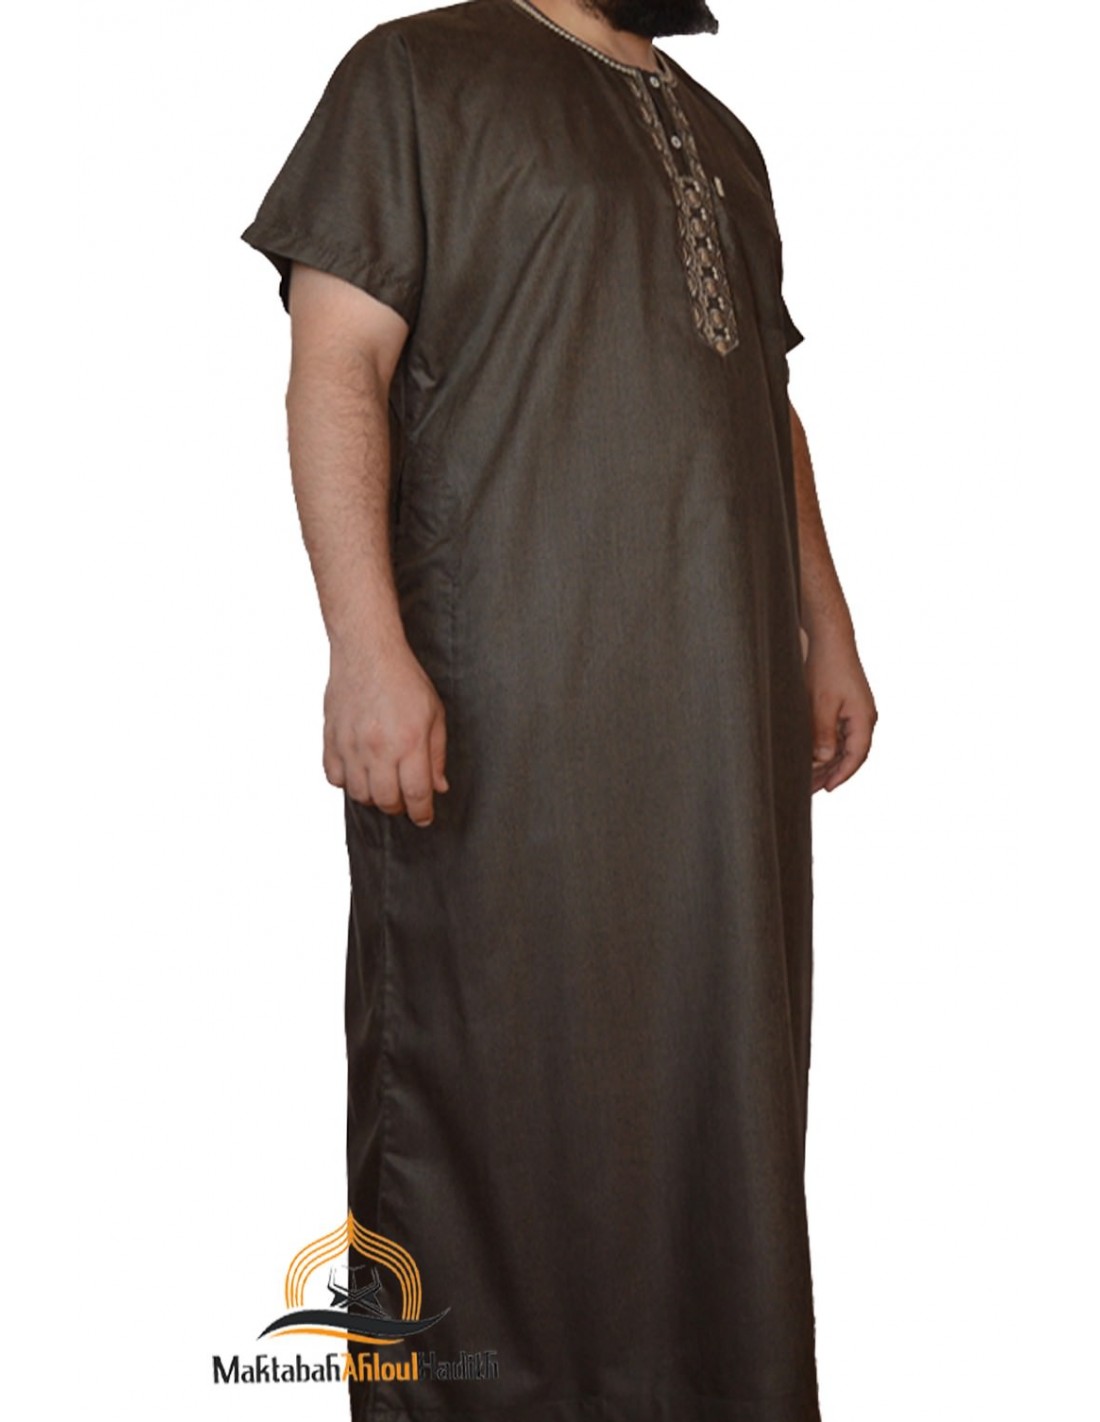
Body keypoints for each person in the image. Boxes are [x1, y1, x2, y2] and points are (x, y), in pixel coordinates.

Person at [239, 2, 877, 1420]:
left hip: (719, 722)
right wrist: (364, 645)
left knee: (717, 1074)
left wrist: (824, 624)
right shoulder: (417, 74)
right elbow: (338, 361)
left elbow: (763, 402)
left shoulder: (724, 139)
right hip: (511, 697)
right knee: (498, 1075)